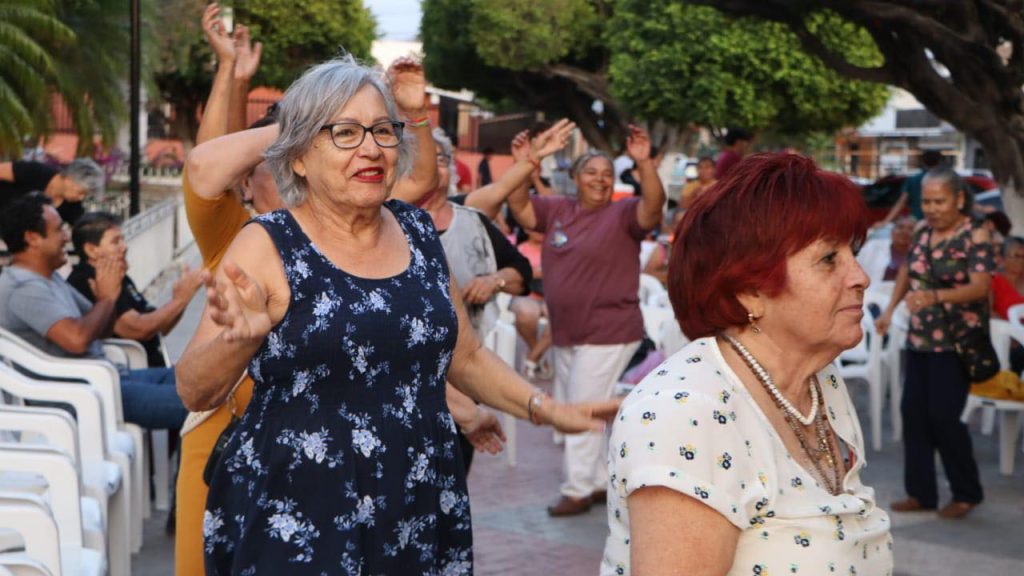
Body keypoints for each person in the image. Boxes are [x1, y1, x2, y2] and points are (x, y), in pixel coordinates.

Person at [177, 56, 618, 574]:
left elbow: (466, 356)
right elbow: (193, 390)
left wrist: (544, 407)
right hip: (299, 504)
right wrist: (238, 342)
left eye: (382, 131)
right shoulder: (267, 243)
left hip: (417, 496)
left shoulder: (417, 232)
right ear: (297, 157)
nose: (371, 148)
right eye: (344, 132)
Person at [602, 152, 892, 576]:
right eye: (829, 258)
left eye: (853, 252)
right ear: (750, 291)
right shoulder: (687, 412)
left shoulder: (817, 382)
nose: (860, 275)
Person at [506, 125, 666, 516]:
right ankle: (595, 481)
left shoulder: (623, 213)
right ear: (574, 179)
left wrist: (644, 164)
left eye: (607, 173)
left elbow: (654, 205)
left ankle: (577, 488)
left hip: (608, 331)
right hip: (566, 333)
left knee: (578, 408)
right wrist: (527, 162)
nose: (600, 179)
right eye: (591, 172)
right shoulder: (558, 209)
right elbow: (520, 206)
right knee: (579, 407)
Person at [420, 127, 551, 471]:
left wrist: (494, 280)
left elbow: (520, 272)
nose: (433, 168)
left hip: (465, 366)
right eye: (422, 160)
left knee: (455, 470)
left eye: (441, 160)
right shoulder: (385, 223)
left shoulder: (472, 220)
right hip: (410, 373)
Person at [0, 193, 187, 431]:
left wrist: (109, 294)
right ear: (33, 238)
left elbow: (102, 330)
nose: (66, 237)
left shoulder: (49, 278)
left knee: (200, 380)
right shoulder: (22, 287)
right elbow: (77, 340)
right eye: (59, 230)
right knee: (200, 405)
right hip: (81, 395)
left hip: (110, 379)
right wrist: (107, 298)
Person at [876, 166, 990, 519]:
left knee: (944, 418)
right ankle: (921, 493)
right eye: (927, 201)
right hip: (920, 339)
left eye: (940, 201)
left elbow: (980, 286)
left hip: (955, 343)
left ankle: (966, 492)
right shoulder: (922, 232)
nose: (933, 208)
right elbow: (909, 272)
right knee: (913, 415)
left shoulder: (976, 234)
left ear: (958, 199)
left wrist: (935, 297)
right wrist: (890, 309)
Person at [68, 212, 203, 368]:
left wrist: (181, 298)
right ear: (91, 250)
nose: (124, 247)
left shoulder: (120, 277)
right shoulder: (89, 280)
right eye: (115, 241)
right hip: (133, 372)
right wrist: (180, 300)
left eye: (123, 240)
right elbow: (137, 329)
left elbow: (159, 328)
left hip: (155, 367)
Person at [0, 157, 105, 227]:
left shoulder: (73, 208)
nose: (81, 197)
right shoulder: (36, 171)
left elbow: (84, 229)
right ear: (69, 178)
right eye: (81, 192)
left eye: (85, 195)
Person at [879, 150, 944, 225]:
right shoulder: (946, 180)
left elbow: (901, 203)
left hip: (916, 222)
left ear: (923, 162)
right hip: (940, 222)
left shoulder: (913, 180)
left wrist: (885, 222)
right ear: (939, 162)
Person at [857, 215, 915, 286]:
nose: (905, 232)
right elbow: (856, 269)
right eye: (900, 227)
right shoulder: (873, 246)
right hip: (872, 292)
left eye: (911, 229)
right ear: (891, 232)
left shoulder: (920, 254)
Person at [992, 236, 1024, 320]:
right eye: (1016, 256)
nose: (1021, 260)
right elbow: (991, 314)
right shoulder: (994, 283)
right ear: (1003, 259)